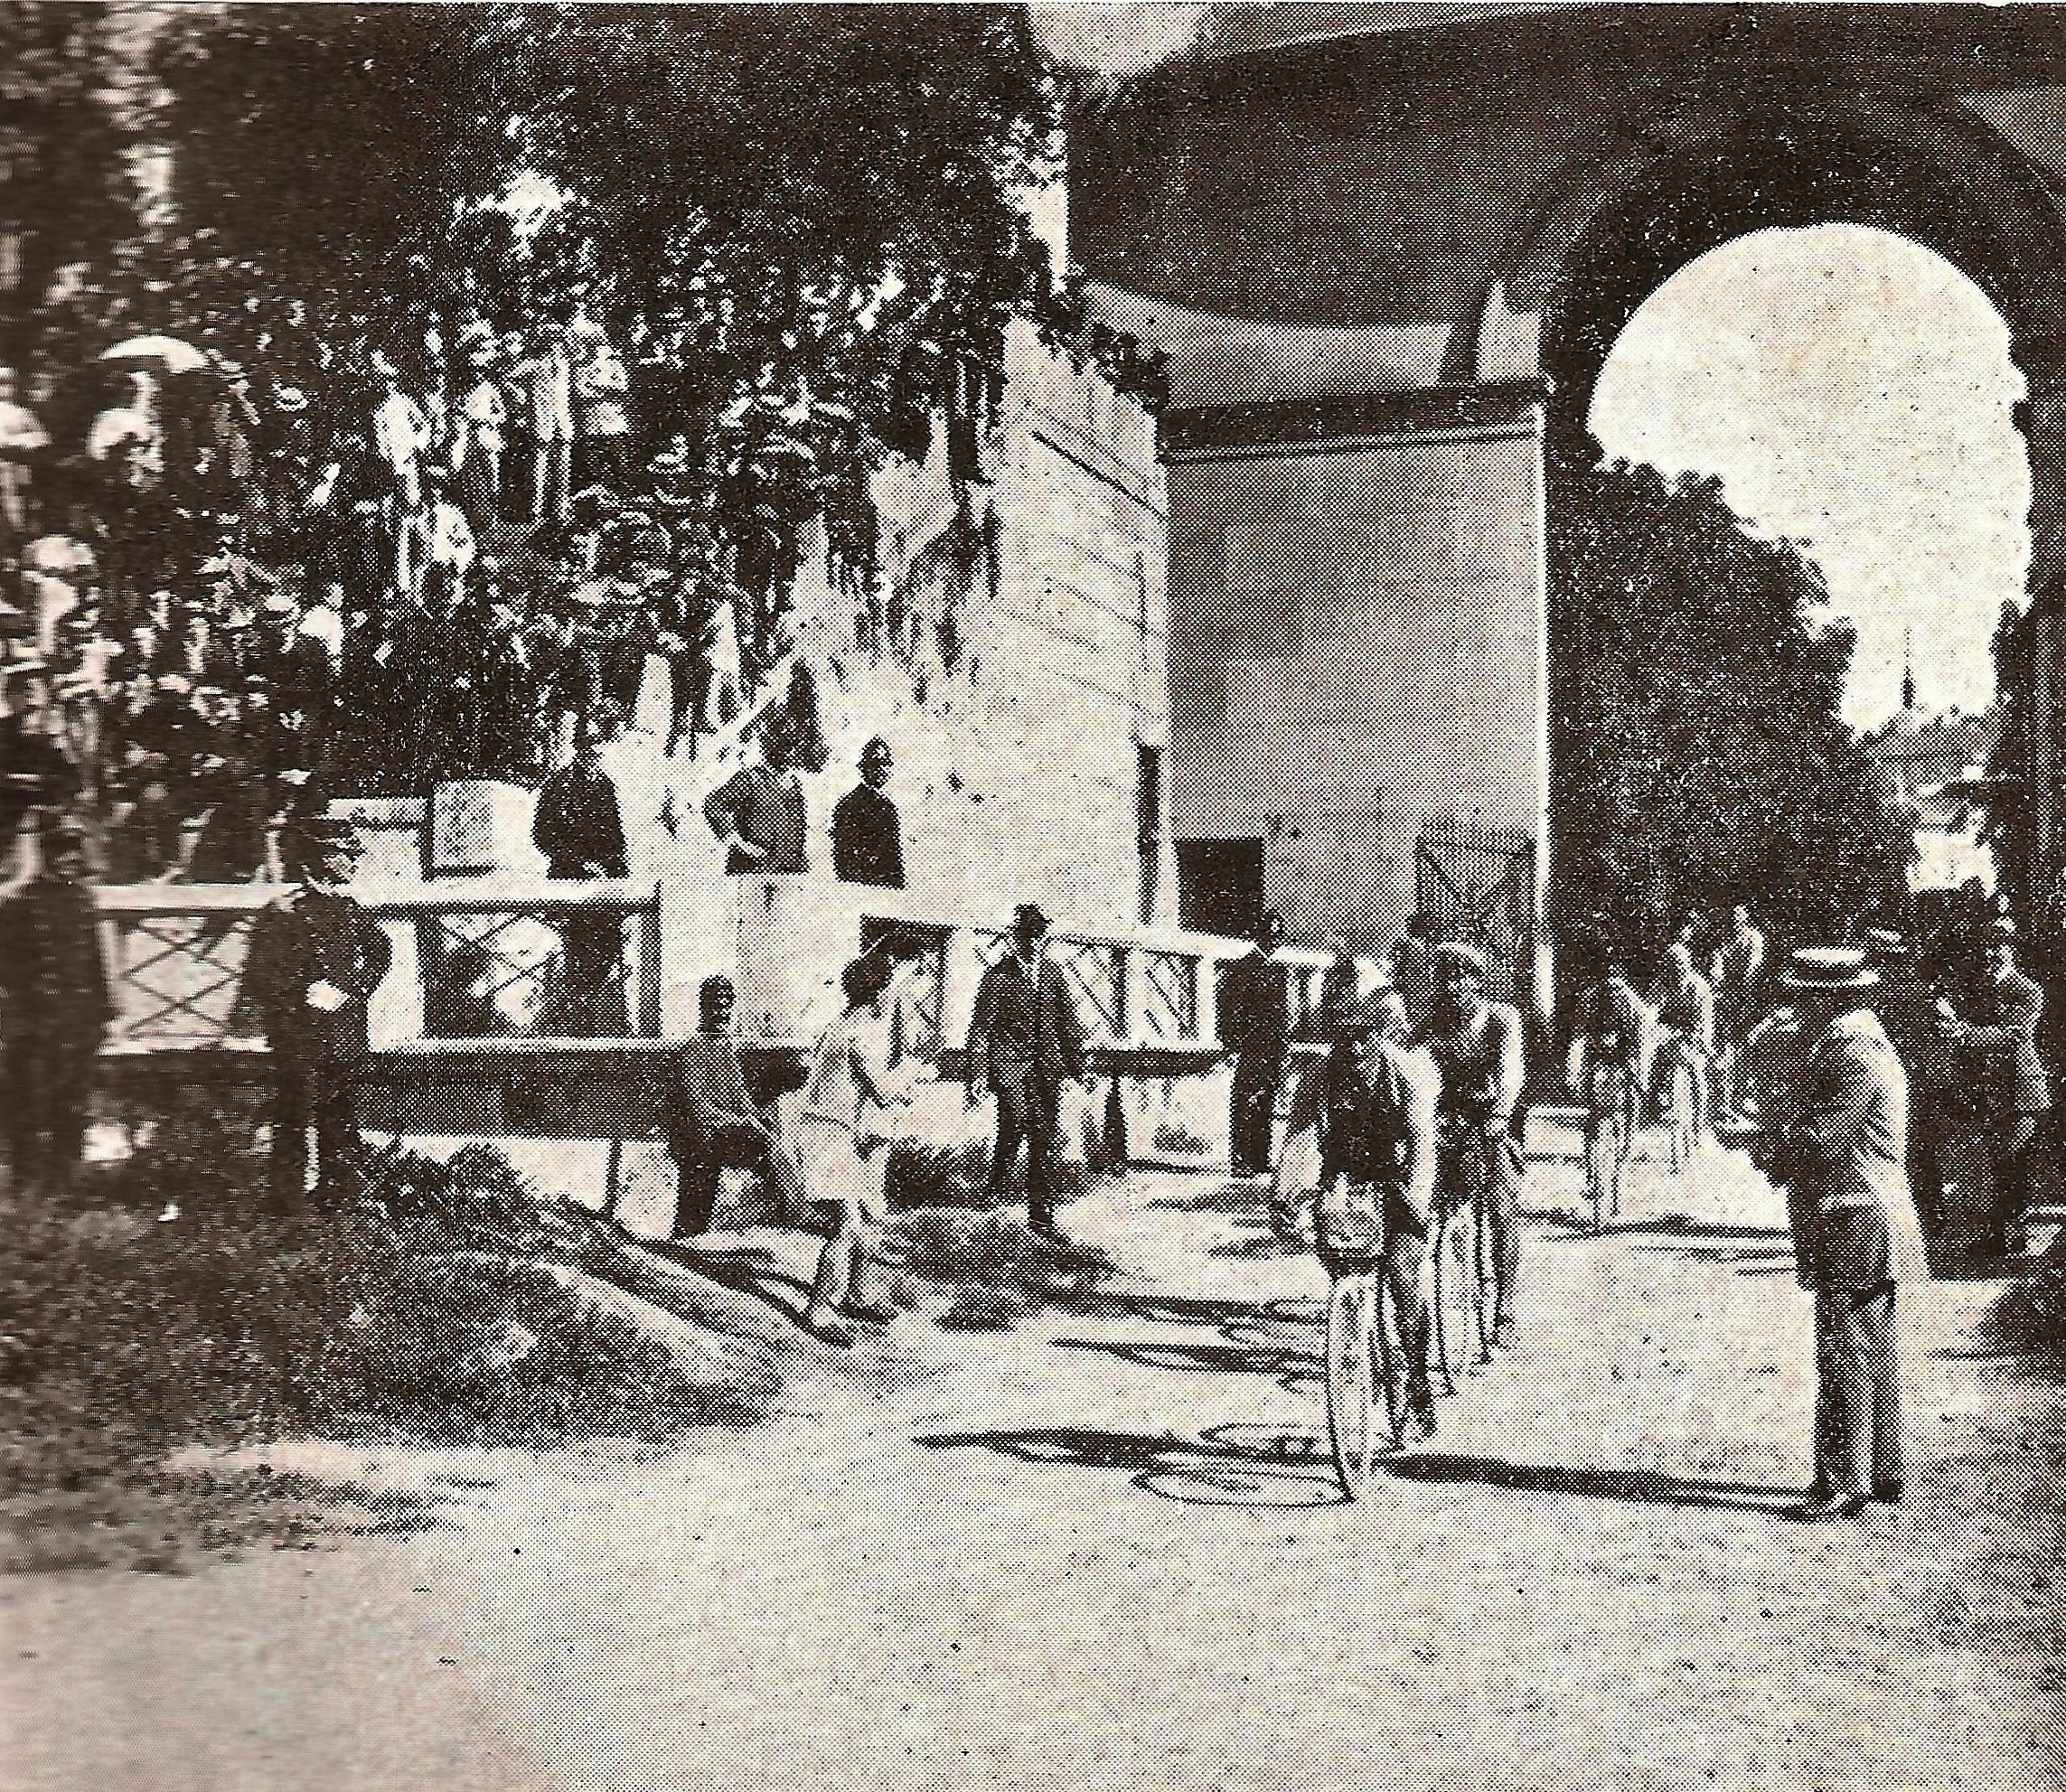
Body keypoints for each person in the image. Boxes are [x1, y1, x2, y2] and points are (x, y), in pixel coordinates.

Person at [1769, 948, 1928, 1520]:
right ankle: (1881, 1473)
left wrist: (1779, 1143)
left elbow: (1834, 1135)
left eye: (1808, 994)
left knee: (1846, 1354)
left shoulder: (1846, 1047)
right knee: (1869, 1352)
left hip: (1853, 1213)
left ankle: (1845, 1480)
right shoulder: (1859, 1040)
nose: (1800, 1004)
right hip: (1859, 1212)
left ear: (1836, 995)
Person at [1273, 992, 1441, 1436]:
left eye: (1372, 1036)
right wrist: (1287, 1193)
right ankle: (1365, 1362)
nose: (1359, 1048)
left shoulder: (1411, 1072)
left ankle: (1419, 1381)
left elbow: (1422, 1139)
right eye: (1352, 1037)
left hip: (1398, 1180)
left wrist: (1417, 1199)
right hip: (1346, 1183)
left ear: (1391, 1035)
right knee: (1343, 1272)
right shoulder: (1322, 1075)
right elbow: (1300, 1133)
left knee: (1407, 1289)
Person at [237, 815, 392, 1215]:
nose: (352, 863)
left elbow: (381, 952)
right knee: (293, 1112)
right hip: (298, 1034)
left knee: (339, 1111)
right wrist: (299, 998)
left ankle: (338, 1192)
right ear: (316, 861)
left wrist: (351, 990)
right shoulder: (284, 912)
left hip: (343, 1031)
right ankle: (286, 1197)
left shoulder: (351, 910)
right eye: (343, 855)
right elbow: (259, 976)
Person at [795, 954, 924, 1345]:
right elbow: (883, 1093)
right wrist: (916, 1075)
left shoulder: (841, 1026)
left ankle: (851, 1296)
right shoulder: (858, 1034)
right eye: (893, 985)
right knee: (844, 1223)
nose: (896, 994)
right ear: (879, 989)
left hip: (828, 1128)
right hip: (829, 1132)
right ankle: (819, 1309)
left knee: (856, 1218)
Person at [1411, 942, 1526, 1349]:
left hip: (1488, 1123)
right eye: (1448, 975)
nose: (1456, 984)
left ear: (1481, 981)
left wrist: (1494, 1110)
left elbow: (1511, 1078)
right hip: (1442, 1124)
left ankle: (1505, 1303)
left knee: (1502, 1208)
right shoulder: (1431, 1023)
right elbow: (1416, 1068)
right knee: (1423, 1209)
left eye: (1466, 975)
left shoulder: (1501, 1021)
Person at [0, 819, 113, 1197]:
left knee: (73, 1102)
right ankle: (26, 1180)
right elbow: (7, 970)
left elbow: (94, 961)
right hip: (33, 1022)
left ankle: (66, 1178)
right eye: (61, 852)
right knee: (30, 1102)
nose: (69, 860)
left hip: (76, 1018)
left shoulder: (82, 899)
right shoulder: (17, 902)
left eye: (74, 852)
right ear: (45, 856)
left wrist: (103, 1013)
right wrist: (15, 1019)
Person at [964, 903, 1089, 1242]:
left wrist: (1080, 1065)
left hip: (1046, 1069)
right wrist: (976, 1075)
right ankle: (1003, 1185)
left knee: (1038, 1136)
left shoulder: (1053, 974)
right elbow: (980, 1029)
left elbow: (1069, 1023)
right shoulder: (997, 977)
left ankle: (1038, 1212)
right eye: (1027, 935)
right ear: (1015, 937)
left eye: (1039, 936)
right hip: (1008, 1067)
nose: (1033, 943)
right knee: (1025, 1126)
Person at [1941, 919, 2052, 1258]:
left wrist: (1961, 1033)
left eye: (1999, 946)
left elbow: (2016, 1035)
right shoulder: (1985, 990)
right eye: (1987, 946)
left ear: (2012, 950)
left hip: (2022, 1093)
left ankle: (2014, 1236)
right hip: (1994, 1093)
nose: (1991, 953)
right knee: (1995, 1164)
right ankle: (1998, 1234)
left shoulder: (2025, 990)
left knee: (2012, 1164)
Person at [662, 974, 800, 1239]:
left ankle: (787, 1210)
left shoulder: (725, 1047)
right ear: (703, 1007)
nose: (721, 1012)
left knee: (775, 1141)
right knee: (706, 1176)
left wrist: (757, 1118)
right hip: (699, 1136)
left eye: (726, 1006)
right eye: (715, 1005)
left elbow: (740, 1097)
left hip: (721, 1132)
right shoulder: (694, 1050)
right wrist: (742, 1122)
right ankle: (789, 1209)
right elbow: (699, 1109)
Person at [532, 729, 630, 1035]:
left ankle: (605, 1015)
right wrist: (579, 862)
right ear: (578, 749)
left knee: (608, 944)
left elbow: (616, 838)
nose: (594, 756)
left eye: (599, 751)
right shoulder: (558, 786)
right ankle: (572, 1015)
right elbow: (543, 835)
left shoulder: (605, 784)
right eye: (589, 750)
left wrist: (618, 878)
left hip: (604, 882)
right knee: (576, 944)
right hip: (569, 880)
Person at [1864, 926, 1957, 1243]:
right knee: (1918, 1157)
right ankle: (1927, 1224)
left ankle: (1926, 1223)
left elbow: (1936, 1039)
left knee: (1918, 1157)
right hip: (1911, 1081)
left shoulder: (1893, 991)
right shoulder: (1916, 990)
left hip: (1913, 1082)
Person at [1220, 910, 1292, 1178]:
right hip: (1250, 1047)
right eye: (1268, 934)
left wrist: (1282, 1047)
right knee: (1245, 1101)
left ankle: (1260, 1158)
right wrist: (1234, 1045)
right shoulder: (1243, 968)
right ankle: (1241, 1159)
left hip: (1272, 1048)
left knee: (1266, 1101)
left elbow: (1282, 1014)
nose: (1272, 940)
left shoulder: (1278, 970)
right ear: (1258, 935)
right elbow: (1232, 1010)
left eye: (1277, 935)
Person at [703, 720, 808, 875]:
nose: (790, 751)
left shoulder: (794, 784)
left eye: (793, 744)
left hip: (789, 871)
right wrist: (738, 843)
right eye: (784, 744)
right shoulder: (750, 778)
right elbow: (713, 805)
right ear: (769, 746)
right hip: (753, 870)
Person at [1653, 941, 1717, 1144]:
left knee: (1696, 1073)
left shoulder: (1698, 987)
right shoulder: (1665, 985)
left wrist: (1690, 1038)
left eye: (1678, 964)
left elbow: (1703, 1021)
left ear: (1687, 964)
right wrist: (1658, 1028)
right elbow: (1656, 1011)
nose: (1675, 970)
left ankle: (1700, 1121)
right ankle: (1657, 1100)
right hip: (1672, 1034)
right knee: (1655, 1057)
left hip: (1695, 1038)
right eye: (1671, 965)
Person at [1712, 903, 1767, 1122]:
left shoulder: (1754, 938)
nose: (1735, 922)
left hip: (1748, 1000)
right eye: (1732, 918)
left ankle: (1741, 1096)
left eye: (1738, 917)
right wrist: (1718, 980)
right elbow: (1717, 964)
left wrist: (1740, 986)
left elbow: (1753, 968)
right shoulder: (1727, 942)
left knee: (1746, 1047)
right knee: (1727, 1048)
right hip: (1729, 1000)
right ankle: (1725, 1099)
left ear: (1745, 918)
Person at [831, 737, 906, 888]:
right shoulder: (848, 806)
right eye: (876, 764)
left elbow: (893, 856)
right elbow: (844, 857)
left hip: (886, 890)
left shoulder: (888, 808)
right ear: (864, 767)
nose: (882, 769)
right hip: (858, 888)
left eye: (886, 763)